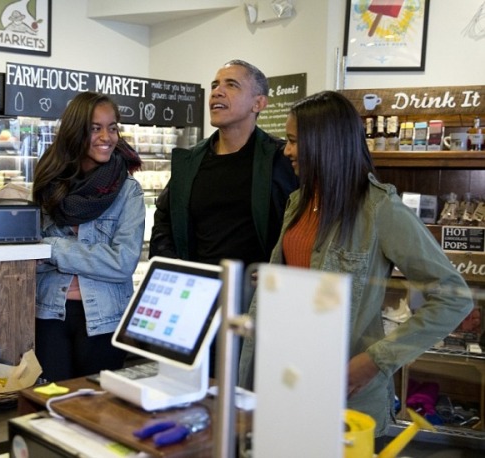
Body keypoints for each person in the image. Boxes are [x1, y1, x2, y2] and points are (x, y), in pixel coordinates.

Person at [238, 91, 474, 438]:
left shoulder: (380, 210)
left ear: (324, 144)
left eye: (292, 141)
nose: (286, 151)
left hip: (345, 395)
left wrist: (375, 360)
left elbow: (454, 297)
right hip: (287, 379)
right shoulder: (298, 202)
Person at [149, 60, 298, 376]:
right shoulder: (191, 162)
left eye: (231, 84)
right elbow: (164, 218)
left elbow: (301, 223)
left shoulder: (279, 160)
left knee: (247, 393)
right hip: (196, 299)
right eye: (215, 84)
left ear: (259, 103)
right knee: (196, 392)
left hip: (257, 304)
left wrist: (279, 270)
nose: (217, 91)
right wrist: (172, 269)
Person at [32, 92, 145, 382]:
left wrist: (54, 249)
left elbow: (122, 262)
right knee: (51, 405)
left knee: (96, 409)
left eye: (113, 127)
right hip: (49, 313)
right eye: (95, 128)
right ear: (76, 131)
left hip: (105, 317)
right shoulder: (50, 183)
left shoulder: (127, 191)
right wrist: (86, 256)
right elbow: (34, 258)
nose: (107, 136)